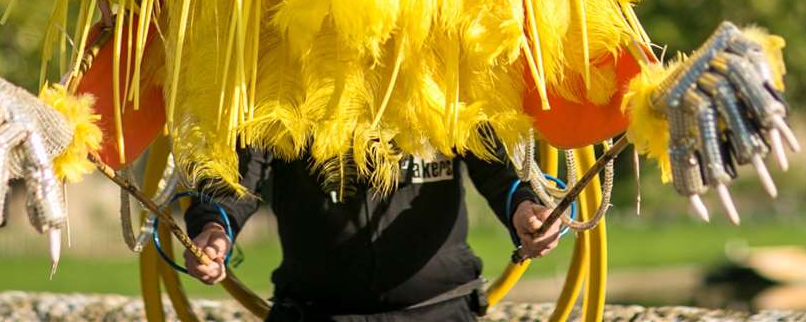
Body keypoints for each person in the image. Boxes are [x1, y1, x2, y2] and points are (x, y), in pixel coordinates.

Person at [182, 145, 564, 321]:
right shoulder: (280, 67)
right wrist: (214, 229)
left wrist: (526, 209)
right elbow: (232, 178)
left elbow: (505, 172)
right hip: (315, 313)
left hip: (441, 312)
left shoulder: (449, 66)